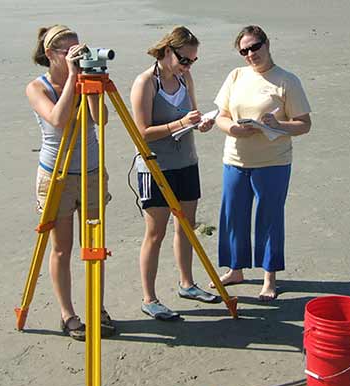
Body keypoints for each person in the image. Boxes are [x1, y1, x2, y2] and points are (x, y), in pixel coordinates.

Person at [26, 25, 115, 340]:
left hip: (90, 172)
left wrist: (91, 81)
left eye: (79, 49)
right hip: (57, 175)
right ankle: (68, 314)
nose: (76, 55)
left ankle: (97, 307)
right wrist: (74, 81)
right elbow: (58, 120)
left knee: (95, 247)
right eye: (69, 52)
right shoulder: (37, 88)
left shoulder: (84, 78)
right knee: (62, 249)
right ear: (51, 54)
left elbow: (100, 119)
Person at [212, 25, 312, 301]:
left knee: (269, 218)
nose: (250, 54)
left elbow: (304, 125)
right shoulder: (236, 76)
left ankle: (269, 278)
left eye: (255, 47)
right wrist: (231, 128)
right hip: (235, 158)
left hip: (273, 162)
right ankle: (236, 269)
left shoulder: (286, 80)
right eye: (244, 51)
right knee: (234, 215)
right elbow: (221, 115)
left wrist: (277, 124)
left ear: (267, 44)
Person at [130, 26, 217, 321]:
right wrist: (179, 124)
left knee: (187, 225)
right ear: (168, 51)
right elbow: (142, 133)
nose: (189, 65)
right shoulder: (145, 83)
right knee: (156, 232)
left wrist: (200, 123)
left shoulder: (184, 77)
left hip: (186, 162)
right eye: (185, 59)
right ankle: (150, 298)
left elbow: (191, 114)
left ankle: (187, 283)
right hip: (156, 166)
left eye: (193, 60)